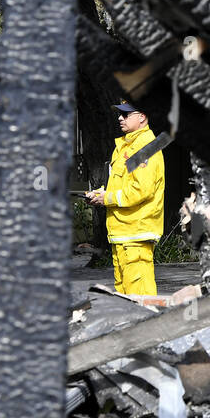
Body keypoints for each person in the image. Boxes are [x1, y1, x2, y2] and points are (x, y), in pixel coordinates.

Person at [85, 102, 163, 296]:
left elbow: (142, 190)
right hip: (124, 234)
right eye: (120, 114)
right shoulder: (125, 146)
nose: (120, 118)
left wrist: (107, 198)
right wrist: (99, 194)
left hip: (135, 233)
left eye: (126, 114)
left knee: (140, 301)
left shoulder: (145, 146)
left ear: (142, 116)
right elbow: (121, 185)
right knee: (126, 299)